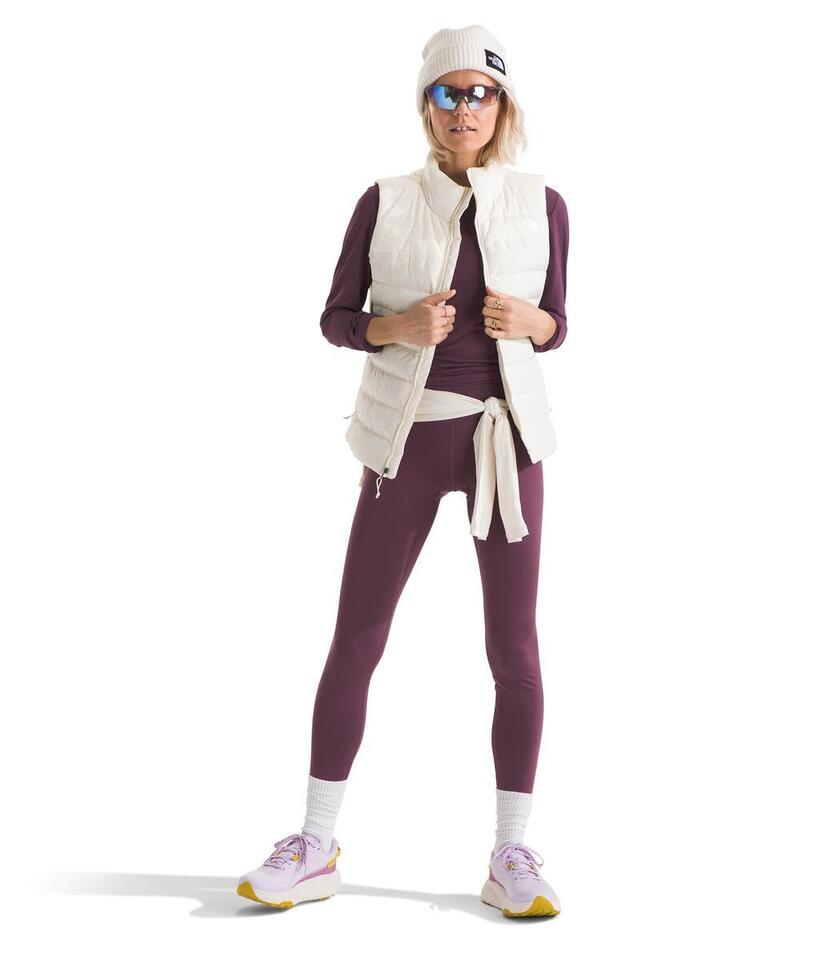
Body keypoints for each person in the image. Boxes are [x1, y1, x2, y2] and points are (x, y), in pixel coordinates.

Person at [237, 24, 569, 919]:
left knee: (515, 650)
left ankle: (511, 852)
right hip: (407, 442)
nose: (465, 108)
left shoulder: (542, 202)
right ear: (426, 105)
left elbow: (559, 324)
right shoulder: (384, 201)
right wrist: (396, 327)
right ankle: (315, 842)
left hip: (507, 445)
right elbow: (337, 318)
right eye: (447, 93)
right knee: (357, 636)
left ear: (503, 106)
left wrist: (533, 323)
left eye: (480, 93)